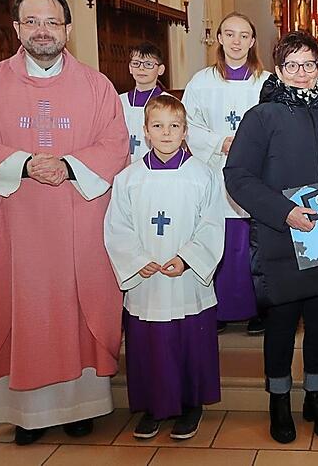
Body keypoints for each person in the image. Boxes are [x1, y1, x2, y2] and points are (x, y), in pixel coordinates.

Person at [0, 0, 127, 445]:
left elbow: (114, 144)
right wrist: (23, 163)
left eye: (51, 22)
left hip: (77, 216)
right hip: (11, 220)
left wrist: (67, 165)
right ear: (16, 28)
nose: (42, 30)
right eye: (32, 22)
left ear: (68, 29)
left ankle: (80, 406)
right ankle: (25, 415)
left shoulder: (96, 86)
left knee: (74, 302)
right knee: (17, 304)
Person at [224, 31, 318, 444]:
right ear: (278, 70)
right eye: (292, 65)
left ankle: (316, 395)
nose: (302, 73)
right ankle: (278, 399)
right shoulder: (262, 117)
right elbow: (237, 176)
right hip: (282, 235)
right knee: (282, 324)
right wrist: (284, 212)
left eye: (309, 64)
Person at [104, 95, 225, 440]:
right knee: (150, 344)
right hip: (148, 279)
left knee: (188, 340)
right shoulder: (128, 178)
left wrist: (188, 258)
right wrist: (138, 261)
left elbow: (213, 224)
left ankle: (190, 406)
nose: (166, 133)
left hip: (187, 279)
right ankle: (154, 407)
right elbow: (117, 227)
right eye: (158, 126)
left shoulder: (201, 176)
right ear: (145, 131)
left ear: (185, 131)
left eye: (174, 126)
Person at [182, 12, 271, 335]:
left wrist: (250, 145)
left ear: (252, 41)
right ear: (219, 39)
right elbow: (188, 125)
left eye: (244, 35)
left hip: (257, 173)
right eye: (230, 34)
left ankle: (259, 308)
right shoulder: (201, 82)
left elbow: (278, 126)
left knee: (255, 244)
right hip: (214, 171)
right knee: (217, 239)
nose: (236, 42)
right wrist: (220, 142)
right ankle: (217, 307)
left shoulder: (266, 82)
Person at [120, 42, 168, 164]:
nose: (141, 68)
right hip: (123, 167)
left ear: (160, 69)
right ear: (130, 68)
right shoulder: (118, 101)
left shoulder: (168, 104)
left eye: (148, 64)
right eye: (136, 63)